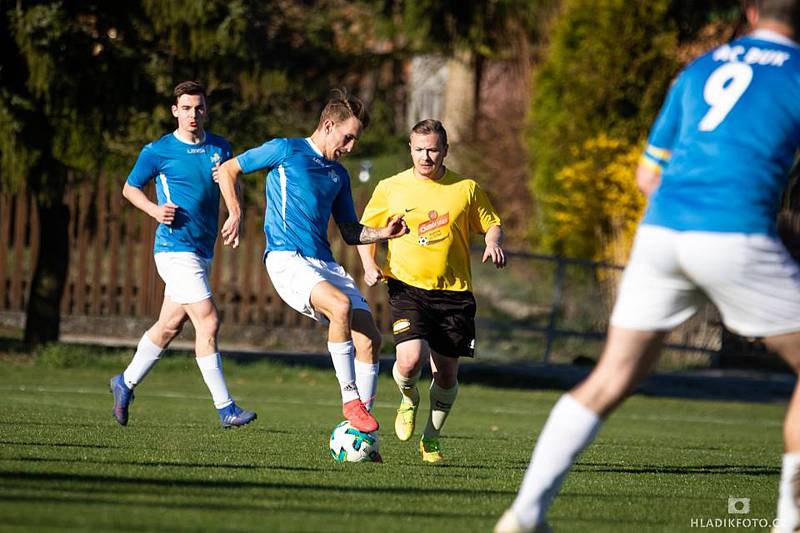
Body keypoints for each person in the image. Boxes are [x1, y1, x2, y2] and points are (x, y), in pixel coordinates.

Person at [495, 1, 800, 531]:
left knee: (609, 377)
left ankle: (524, 514)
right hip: (734, 232)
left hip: (661, 231)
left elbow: (645, 176)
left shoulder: (700, 69)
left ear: (750, 12)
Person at [215, 89, 409, 435]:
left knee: (370, 339)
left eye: (355, 141)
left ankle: (362, 434)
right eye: (348, 138)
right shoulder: (286, 149)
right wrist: (235, 211)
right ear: (329, 125)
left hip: (325, 264)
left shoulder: (340, 175)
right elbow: (229, 169)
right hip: (287, 258)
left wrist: (383, 232)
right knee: (340, 307)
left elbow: (350, 231)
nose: (350, 147)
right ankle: (350, 400)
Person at [109, 81, 256, 429]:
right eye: (186, 108)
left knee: (169, 326)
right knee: (208, 321)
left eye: (199, 107)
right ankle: (226, 408)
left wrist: (234, 213)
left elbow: (227, 183)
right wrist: (154, 211)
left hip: (202, 250)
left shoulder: (220, 146)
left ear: (206, 110)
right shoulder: (157, 151)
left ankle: (124, 383)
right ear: (175, 111)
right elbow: (130, 188)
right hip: (174, 250)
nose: (193, 114)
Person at [357, 119, 506, 463]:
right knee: (409, 362)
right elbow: (368, 231)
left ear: (445, 151)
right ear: (410, 149)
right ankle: (408, 398)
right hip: (407, 287)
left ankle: (432, 438)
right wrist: (368, 263)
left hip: (454, 294)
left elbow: (491, 223)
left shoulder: (465, 188)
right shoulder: (391, 187)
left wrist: (493, 242)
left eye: (433, 149)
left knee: (447, 373)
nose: (426, 157)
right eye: (419, 149)